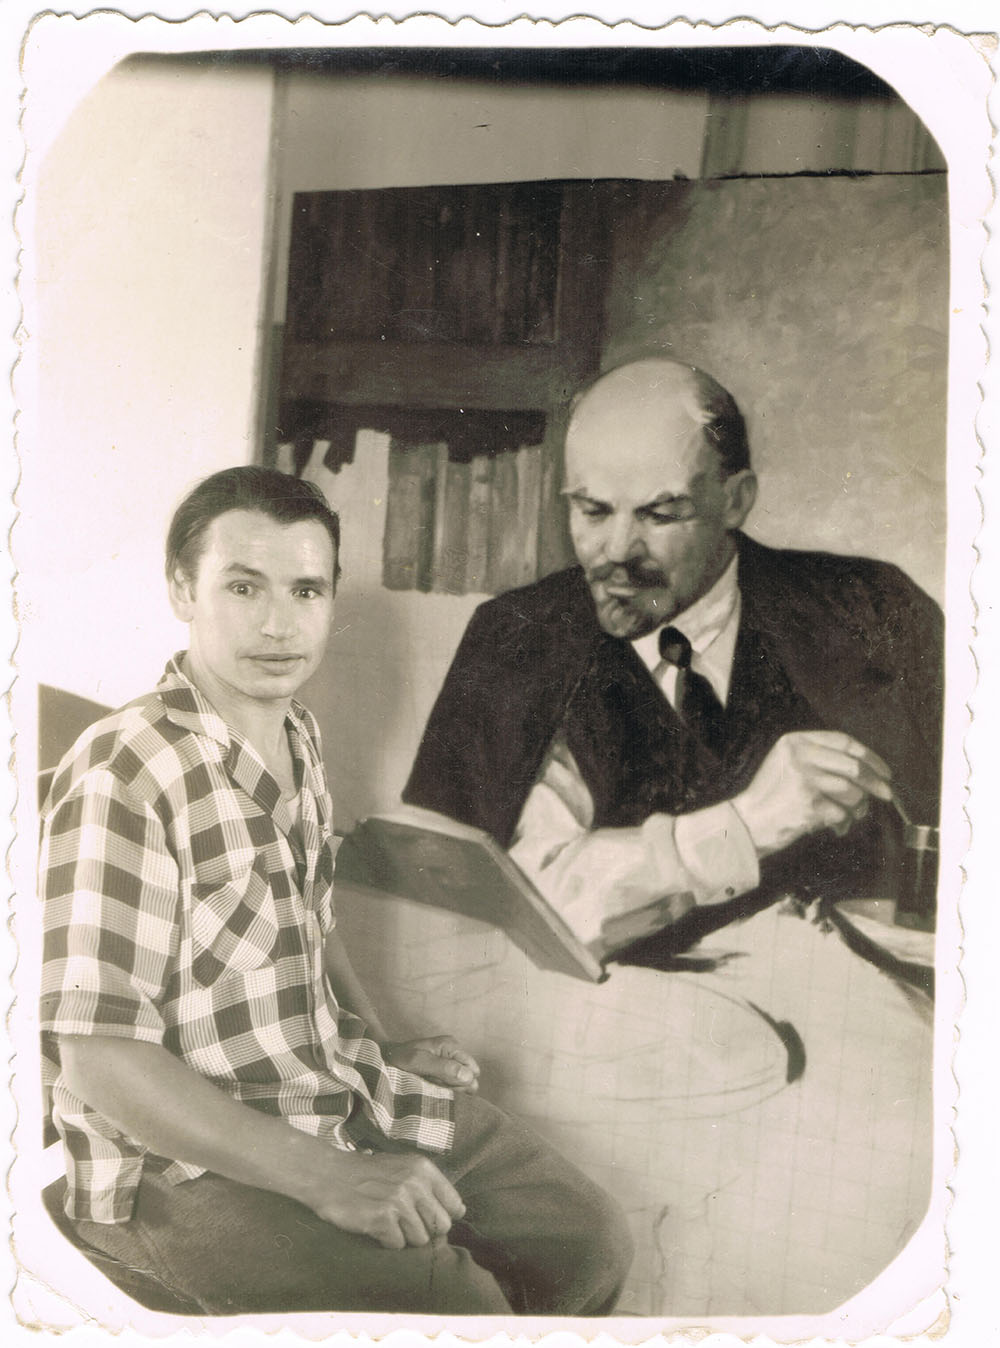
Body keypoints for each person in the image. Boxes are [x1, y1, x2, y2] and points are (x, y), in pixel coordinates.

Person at [38, 466, 632, 1316]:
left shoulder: (298, 735)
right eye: (244, 587)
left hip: (329, 1085)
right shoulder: (124, 767)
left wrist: (381, 1042)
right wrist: (330, 1177)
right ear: (182, 590)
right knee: (457, 1308)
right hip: (179, 1170)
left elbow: (310, 925)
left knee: (589, 1241)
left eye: (306, 590)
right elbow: (98, 1059)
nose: (280, 625)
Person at [404, 357, 943, 963]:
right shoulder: (516, 642)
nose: (616, 551)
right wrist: (746, 825)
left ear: (735, 500)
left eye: (659, 514)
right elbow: (497, 902)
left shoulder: (874, 613)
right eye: (592, 510)